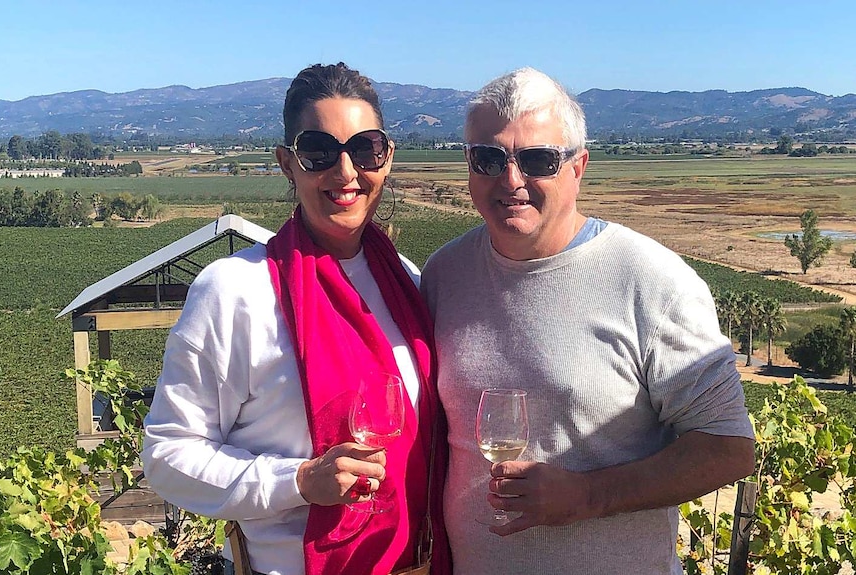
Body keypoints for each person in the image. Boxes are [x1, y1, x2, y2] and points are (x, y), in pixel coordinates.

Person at [420, 67, 755, 574]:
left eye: (537, 160)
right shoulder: (445, 274)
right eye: (488, 159)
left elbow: (727, 448)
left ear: (578, 167)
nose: (510, 180)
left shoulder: (653, 281)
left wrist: (588, 495)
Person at [142, 62, 449, 575]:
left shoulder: (408, 281)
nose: (346, 171)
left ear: (387, 157)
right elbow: (168, 457)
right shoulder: (236, 291)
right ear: (288, 163)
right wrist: (300, 481)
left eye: (364, 148)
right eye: (319, 151)